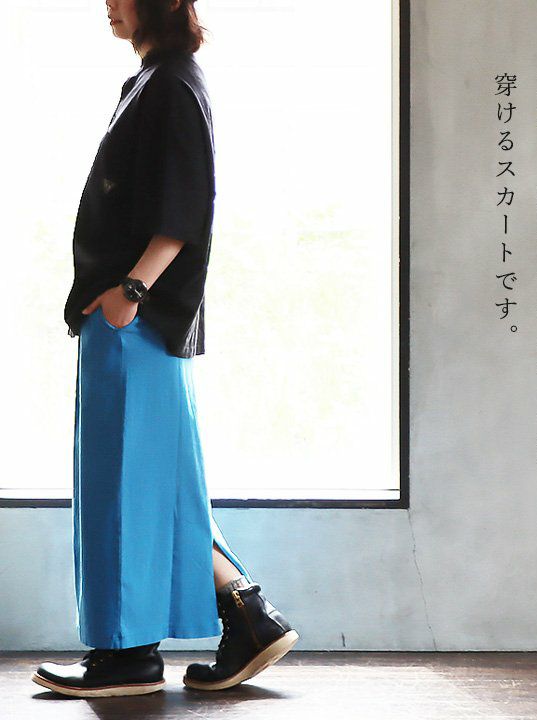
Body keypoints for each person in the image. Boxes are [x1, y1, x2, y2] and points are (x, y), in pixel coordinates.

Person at [31, 0, 298, 698]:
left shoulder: (172, 84)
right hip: (135, 319)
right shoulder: (161, 80)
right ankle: (249, 615)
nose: (107, 3)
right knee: (157, 483)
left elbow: (184, 208)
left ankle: (127, 655)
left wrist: (130, 291)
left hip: (137, 319)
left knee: (124, 484)